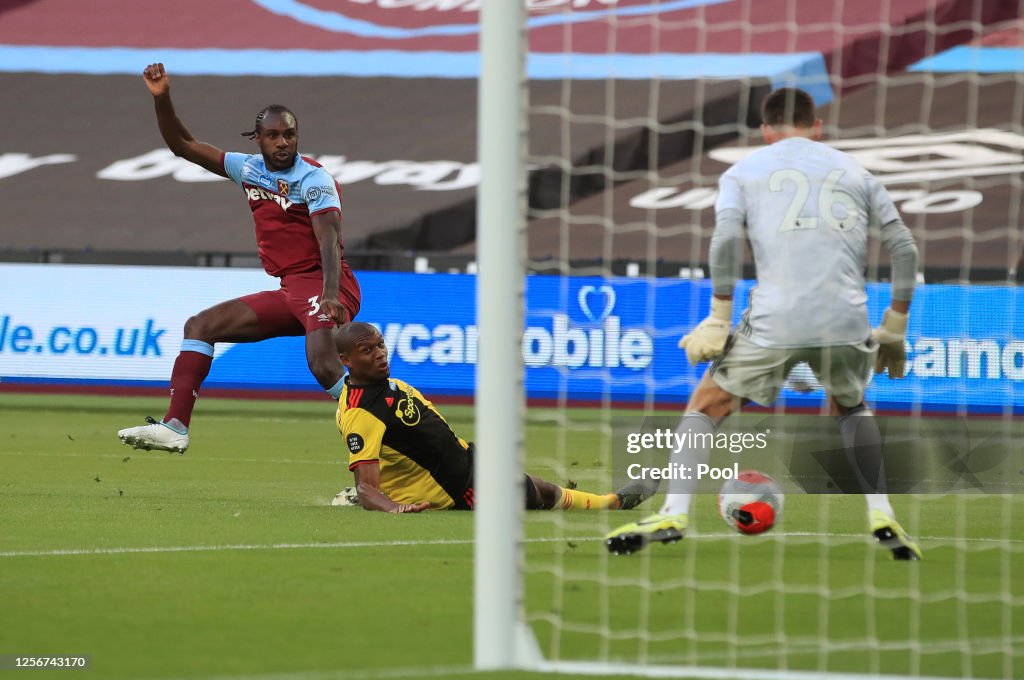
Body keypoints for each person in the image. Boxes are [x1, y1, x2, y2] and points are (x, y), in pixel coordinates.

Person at [606, 88, 922, 560]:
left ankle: (673, 514)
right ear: (817, 127)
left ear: (765, 131)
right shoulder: (857, 172)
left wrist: (718, 318)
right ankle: (883, 515)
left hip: (777, 315)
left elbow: (725, 241)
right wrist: (894, 326)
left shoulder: (743, 171)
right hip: (846, 315)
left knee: (707, 402)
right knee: (852, 407)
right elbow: (905, 250)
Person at [118, 63, 360, 454]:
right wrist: (162, 99)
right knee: (200, 326)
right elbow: (183, 145)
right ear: (258, 138)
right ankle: (176, 425)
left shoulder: (314, 179)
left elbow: (329, 240)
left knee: (323, 363)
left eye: (290, 134)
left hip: (324, 282)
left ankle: (384, 437)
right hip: (291, 289)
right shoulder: (246, 168)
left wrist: (330, 294)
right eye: (273, 135)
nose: (283, 142)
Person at [335, 322, 650, 513]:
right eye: (367, 350)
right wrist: (391, 505)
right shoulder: (361, 412)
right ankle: (611, 503)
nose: (380, 353)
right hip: (456, 486)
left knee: (537, 488)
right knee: (537, 492)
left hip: (465, 460)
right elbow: (366, 484)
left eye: (381, 344)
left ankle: (608, 502)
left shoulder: (385, 385)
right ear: (346, 360)